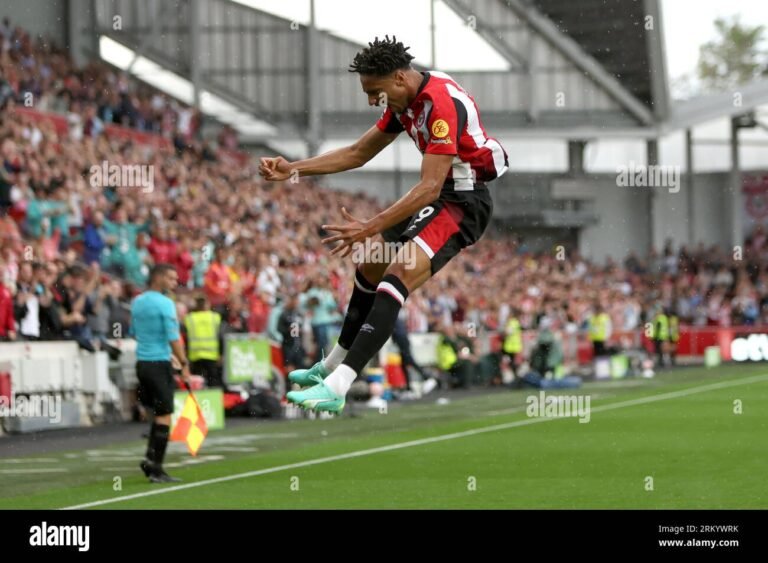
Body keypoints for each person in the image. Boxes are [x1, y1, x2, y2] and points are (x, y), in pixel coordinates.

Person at [260, 36, 508, 413]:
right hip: (438, 193)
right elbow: (358, 153)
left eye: (374, 91)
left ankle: (340, 384)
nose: (371, 100)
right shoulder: (404, 99)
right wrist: (292, 169)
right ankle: (329, 366)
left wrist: (369, 225)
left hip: (462, 200)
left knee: (396, 274)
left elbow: (428, 188)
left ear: (398, 78)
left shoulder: (439, 106)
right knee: (371, 263)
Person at [131, 263, 191, 483]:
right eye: (171, 279)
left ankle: (150, 460)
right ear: (158, 278)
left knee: (157, 413)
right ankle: (156, 468)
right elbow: (174, 337)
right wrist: (183, 363)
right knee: (164, 414)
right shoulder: (166, 304)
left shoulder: (137, 302)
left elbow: (134, 332)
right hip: (158, 364)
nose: (175, 284)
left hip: (142, 363)